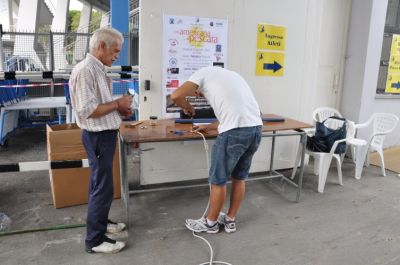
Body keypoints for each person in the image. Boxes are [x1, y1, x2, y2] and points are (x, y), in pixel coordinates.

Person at [171, 66, 262, 233]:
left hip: (234, 134)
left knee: (218, 180)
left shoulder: (201, 74)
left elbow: (176, 96)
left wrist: (188, 107)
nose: (202, 97)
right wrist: (210, 127)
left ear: (196, 85)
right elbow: (239, 115)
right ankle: (230, 220)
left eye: (199, 94)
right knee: (239, 177)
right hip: (255, 130)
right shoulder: (233, 76)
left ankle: (210, 223)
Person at [69, 27, 132, 253]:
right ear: (102, 46)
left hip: (103, 135)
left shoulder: (97, 68)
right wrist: (117, 104)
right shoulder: (86, 70)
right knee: (102, 186)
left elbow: (99, 103)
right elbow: (87, 110)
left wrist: (118, 107)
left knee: (101, 184)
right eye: (115, 51)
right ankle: (94, 240)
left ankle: (101, 222)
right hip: (97, 136)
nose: (117, 56)